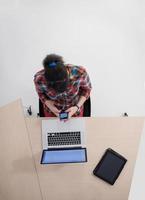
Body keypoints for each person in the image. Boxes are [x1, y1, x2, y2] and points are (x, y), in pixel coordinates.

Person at [34, 54, 92, 118]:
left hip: (75, 110)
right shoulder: (39, 79)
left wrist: (77, 107)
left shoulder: (80, 73)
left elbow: (87, 90)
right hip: (52, 112)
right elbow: (41, 93)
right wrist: (50, 106)